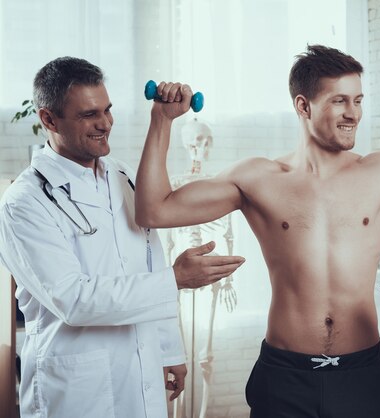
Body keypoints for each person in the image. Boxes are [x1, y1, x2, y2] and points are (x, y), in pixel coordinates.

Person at [134, 44, 380, 417]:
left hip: (362, 373)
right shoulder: (259, 178)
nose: (353, 114)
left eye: (358, 100)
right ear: (302, 106)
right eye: (340, 101)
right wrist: (162, 121)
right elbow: (155, 209)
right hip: (285, 376)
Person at [0, 57, 245, 418]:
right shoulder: (25, 201)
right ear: (49, 119)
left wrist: (169, 350)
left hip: (141, 368)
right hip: (77, 387)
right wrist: (176, 280)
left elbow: (149, 262)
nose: (105, 124)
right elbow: (74, 299)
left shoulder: (124, 177)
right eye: (88, 115)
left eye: (108, 110)